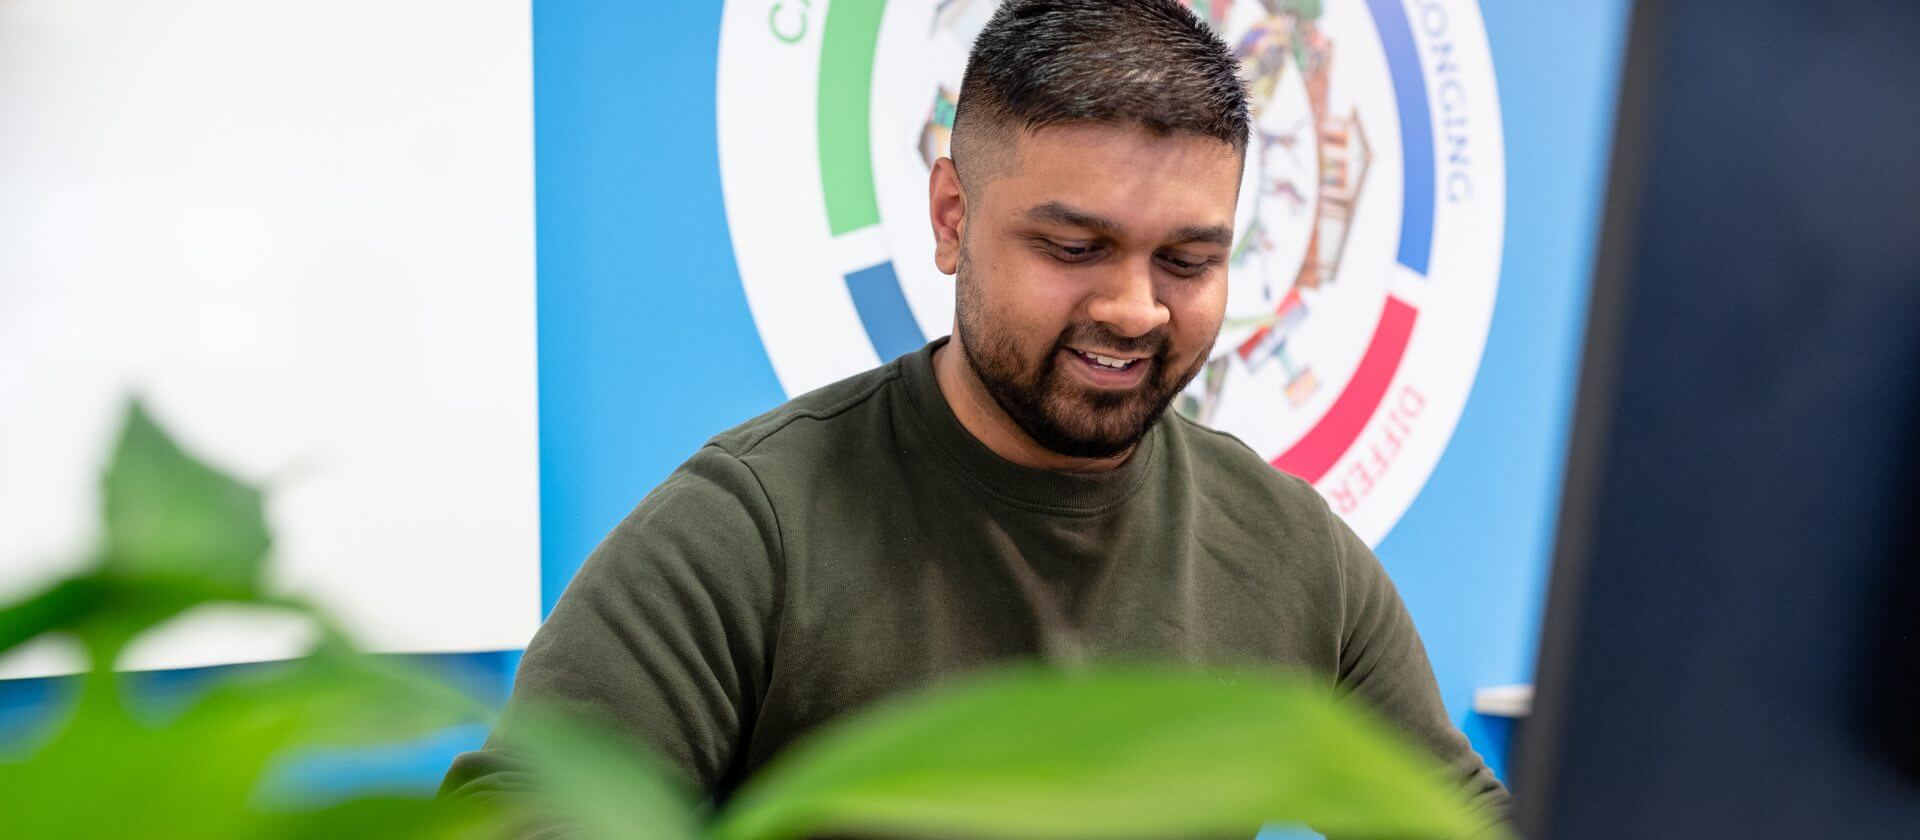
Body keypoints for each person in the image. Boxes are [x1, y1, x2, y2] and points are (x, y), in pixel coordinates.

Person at [445, 0, 1508, 829]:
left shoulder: (1289, 558)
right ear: (953, 216)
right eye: (1072, 247)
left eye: (1187, 260)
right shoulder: (751, 530)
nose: (1134, 307)